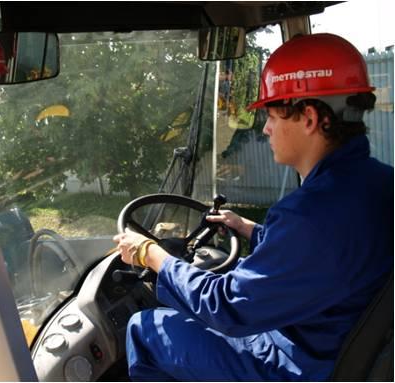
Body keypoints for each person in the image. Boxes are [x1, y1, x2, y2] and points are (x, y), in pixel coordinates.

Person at [113, 33, 393, 381]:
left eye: (273, 114)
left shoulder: (308, 213)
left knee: (145, 327)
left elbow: (226, 308)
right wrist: (251, 230)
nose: (266, 128)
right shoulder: (380, 183)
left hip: (300, 363)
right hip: (335, 343)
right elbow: (324, 256)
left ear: (308, 118)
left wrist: (152, 255)